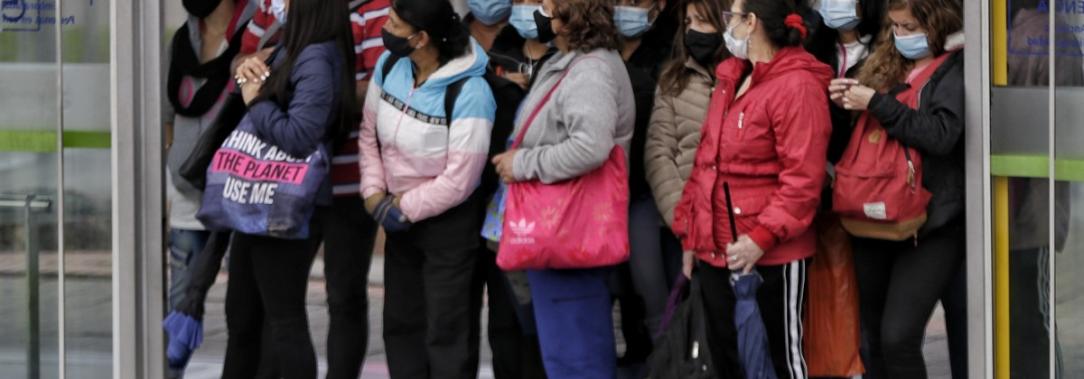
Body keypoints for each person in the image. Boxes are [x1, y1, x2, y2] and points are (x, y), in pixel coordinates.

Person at [671, 0, 833, 376]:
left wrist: (761, 237)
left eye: (733, 16)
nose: (728, 25)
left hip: (771, 254)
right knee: (728, 359)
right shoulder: (731, 76)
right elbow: (705, 163)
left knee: (780, 361)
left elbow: (802, 181)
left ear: (752, 22)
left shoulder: (797, 85)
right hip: (717, 249)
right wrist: (692, 236)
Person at [233, 1, 389, 378]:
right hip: (286, 179)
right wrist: (246, 66)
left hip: (348, 182)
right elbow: (242, 57)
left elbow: (383, 87)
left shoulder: (378, 8)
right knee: (281, 304)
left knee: (345, 297)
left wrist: (296, 88)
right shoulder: (273, 6)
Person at [490, 0, 634, 376]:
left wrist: (522, 164)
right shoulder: (569, 61)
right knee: (564, 352)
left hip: (570, 230)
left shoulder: (592, 70)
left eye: (548, 5)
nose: (540, 11)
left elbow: (590, 146)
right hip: (560, 229)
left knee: (576, 355)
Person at [358, 0, 496, 377]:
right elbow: (369, 136)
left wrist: (404, 205)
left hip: (447, 227)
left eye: (393, 24)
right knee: (401, 324)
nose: (385, 28)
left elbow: (461, 178)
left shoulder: (471, 91)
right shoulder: (390, 67)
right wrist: (373, 192)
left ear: (421, 39)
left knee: (446, 332)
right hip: (397, 218)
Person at [830, 0, 964, 377]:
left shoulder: (956, 67)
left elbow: (940, 136)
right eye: (896, 27)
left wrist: (876, 102)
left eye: (908, 27)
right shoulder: (885, 62)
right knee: (872, 336)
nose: (900, 36)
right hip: (870, 216)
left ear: (936, 24)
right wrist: (844, 104)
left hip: (931, 223)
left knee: (898, 337)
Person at [163, 0, 255, 376]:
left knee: (246, 306)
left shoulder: (254, 39)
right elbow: (168, 116)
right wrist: (179, 164)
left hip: (237, 195)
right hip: (187, 194)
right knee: (181, 304)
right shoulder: (180, 43)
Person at [467, 1, 551, 377]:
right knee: (496, 325)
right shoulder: (497, 51)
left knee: (525, 321)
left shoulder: (569, 60)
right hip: (482, 203)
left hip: (538, 210)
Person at [643, 0, 728, 337]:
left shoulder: (749, 77)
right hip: (682, 225)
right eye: (689, 22)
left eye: (703, 22)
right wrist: (684, 218)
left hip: (735, 225)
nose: (694, 30)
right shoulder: (673, 78)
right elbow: (658, 152)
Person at [608, 0, 677, 370]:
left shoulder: (672, 51)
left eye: (636, 1)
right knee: (613, 289)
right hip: (603, 192)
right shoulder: (600, 48)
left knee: (651, 285)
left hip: (647, 189)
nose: (626, 7)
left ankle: (667, 364)